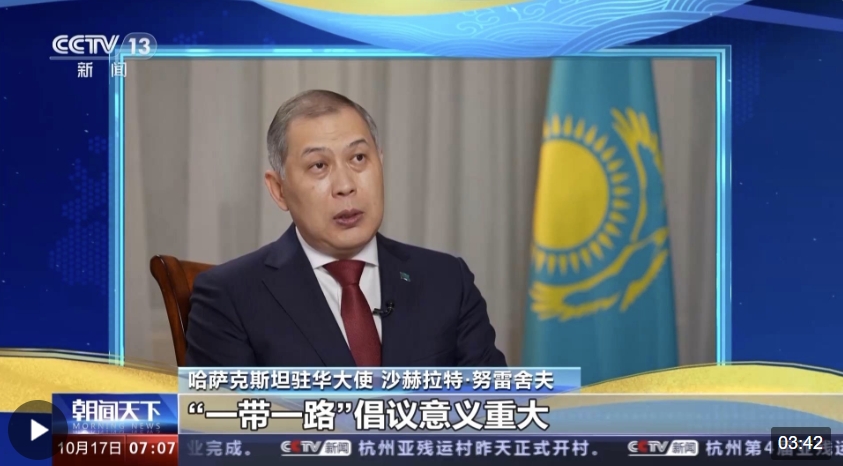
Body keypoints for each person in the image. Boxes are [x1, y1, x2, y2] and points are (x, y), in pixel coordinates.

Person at [185, 89, 507, 368]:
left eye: (359, 158)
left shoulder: (447, 281)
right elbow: (226, 420)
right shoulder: (229, 298)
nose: (345, 185)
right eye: (319, 165)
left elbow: (497, 409)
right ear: (279, 190)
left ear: (380, 162)